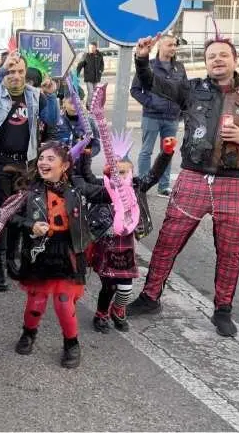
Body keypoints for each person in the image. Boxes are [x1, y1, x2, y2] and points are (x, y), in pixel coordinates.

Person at [127, 34, 239, 336]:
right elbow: (152, 84)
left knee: (230, 250)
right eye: (211, 56)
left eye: (223, 54)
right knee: (168, 240)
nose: (217, 60)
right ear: (206, 62)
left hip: (234, 182)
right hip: (193, 177)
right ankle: (150, 297)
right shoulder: (191, 89)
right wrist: (142, 59)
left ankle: (223, 310)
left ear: (234, 60)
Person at [9, 142, 109, 368]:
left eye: (50, 159)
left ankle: (71, 344)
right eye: (41, 158)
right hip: (39, 252)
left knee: (64, 303)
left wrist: (119, 181)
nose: (43, 162)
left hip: (68, 253)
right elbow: (10, 217)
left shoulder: (77, 188)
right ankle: (28, 333)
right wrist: (31, 225)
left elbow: (107, 195)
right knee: (36, 301)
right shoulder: (30, 190)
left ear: (64, 166)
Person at [75, 138, 175, 334]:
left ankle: (118, 310)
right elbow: (85, 177)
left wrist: (166, 153)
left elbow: (154, 175)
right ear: (107, 172)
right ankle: (101, 314)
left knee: (126, 288)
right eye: (114, 172)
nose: (118, 176)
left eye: (123, 172)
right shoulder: (103, 188)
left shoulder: (136, 187)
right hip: (106, 245)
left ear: (131, 173)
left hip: (126, 246)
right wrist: (85, 155)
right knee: (109, 286)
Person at [0, 53, 59, 291]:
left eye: (19, 71)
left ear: (26, 73)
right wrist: (1, 71)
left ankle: (12, 259)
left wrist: (51, 95)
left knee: (19, 212)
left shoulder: (34, 94)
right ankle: (1, 265)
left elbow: (51, 119)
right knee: (2, 214)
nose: (15, 76)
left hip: (24, 164)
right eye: (11, 71)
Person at [129, 34, 186, 197]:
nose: (173, 48)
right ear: (160, 46)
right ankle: (143, 185)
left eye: (175, 45)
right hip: (151, 116)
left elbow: (184, 91)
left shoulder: (179, 67)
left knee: (167, 152)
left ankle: (164, 186)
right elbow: (135, 90)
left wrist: (181, 110)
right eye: (170, 45)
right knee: (146, 151)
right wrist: (150, 103)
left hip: (172, 118)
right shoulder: (149, 65)